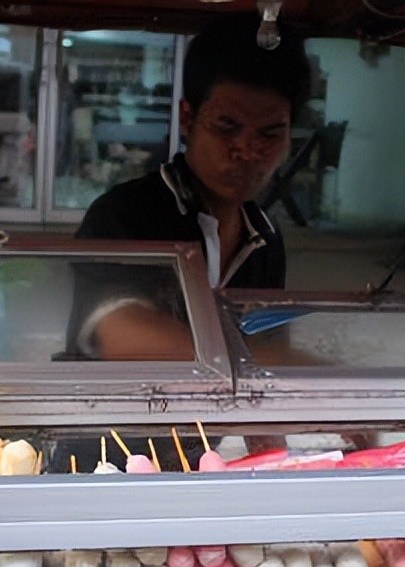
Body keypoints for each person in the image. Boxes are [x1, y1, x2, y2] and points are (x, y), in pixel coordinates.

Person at [68, 13, 312, 361]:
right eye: (226, 127)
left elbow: (270, 342)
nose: (246, 151)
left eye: (269, 134)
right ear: (187, 118)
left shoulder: (265, 241)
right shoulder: (123, 215)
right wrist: (278, 362)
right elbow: (119, 334)